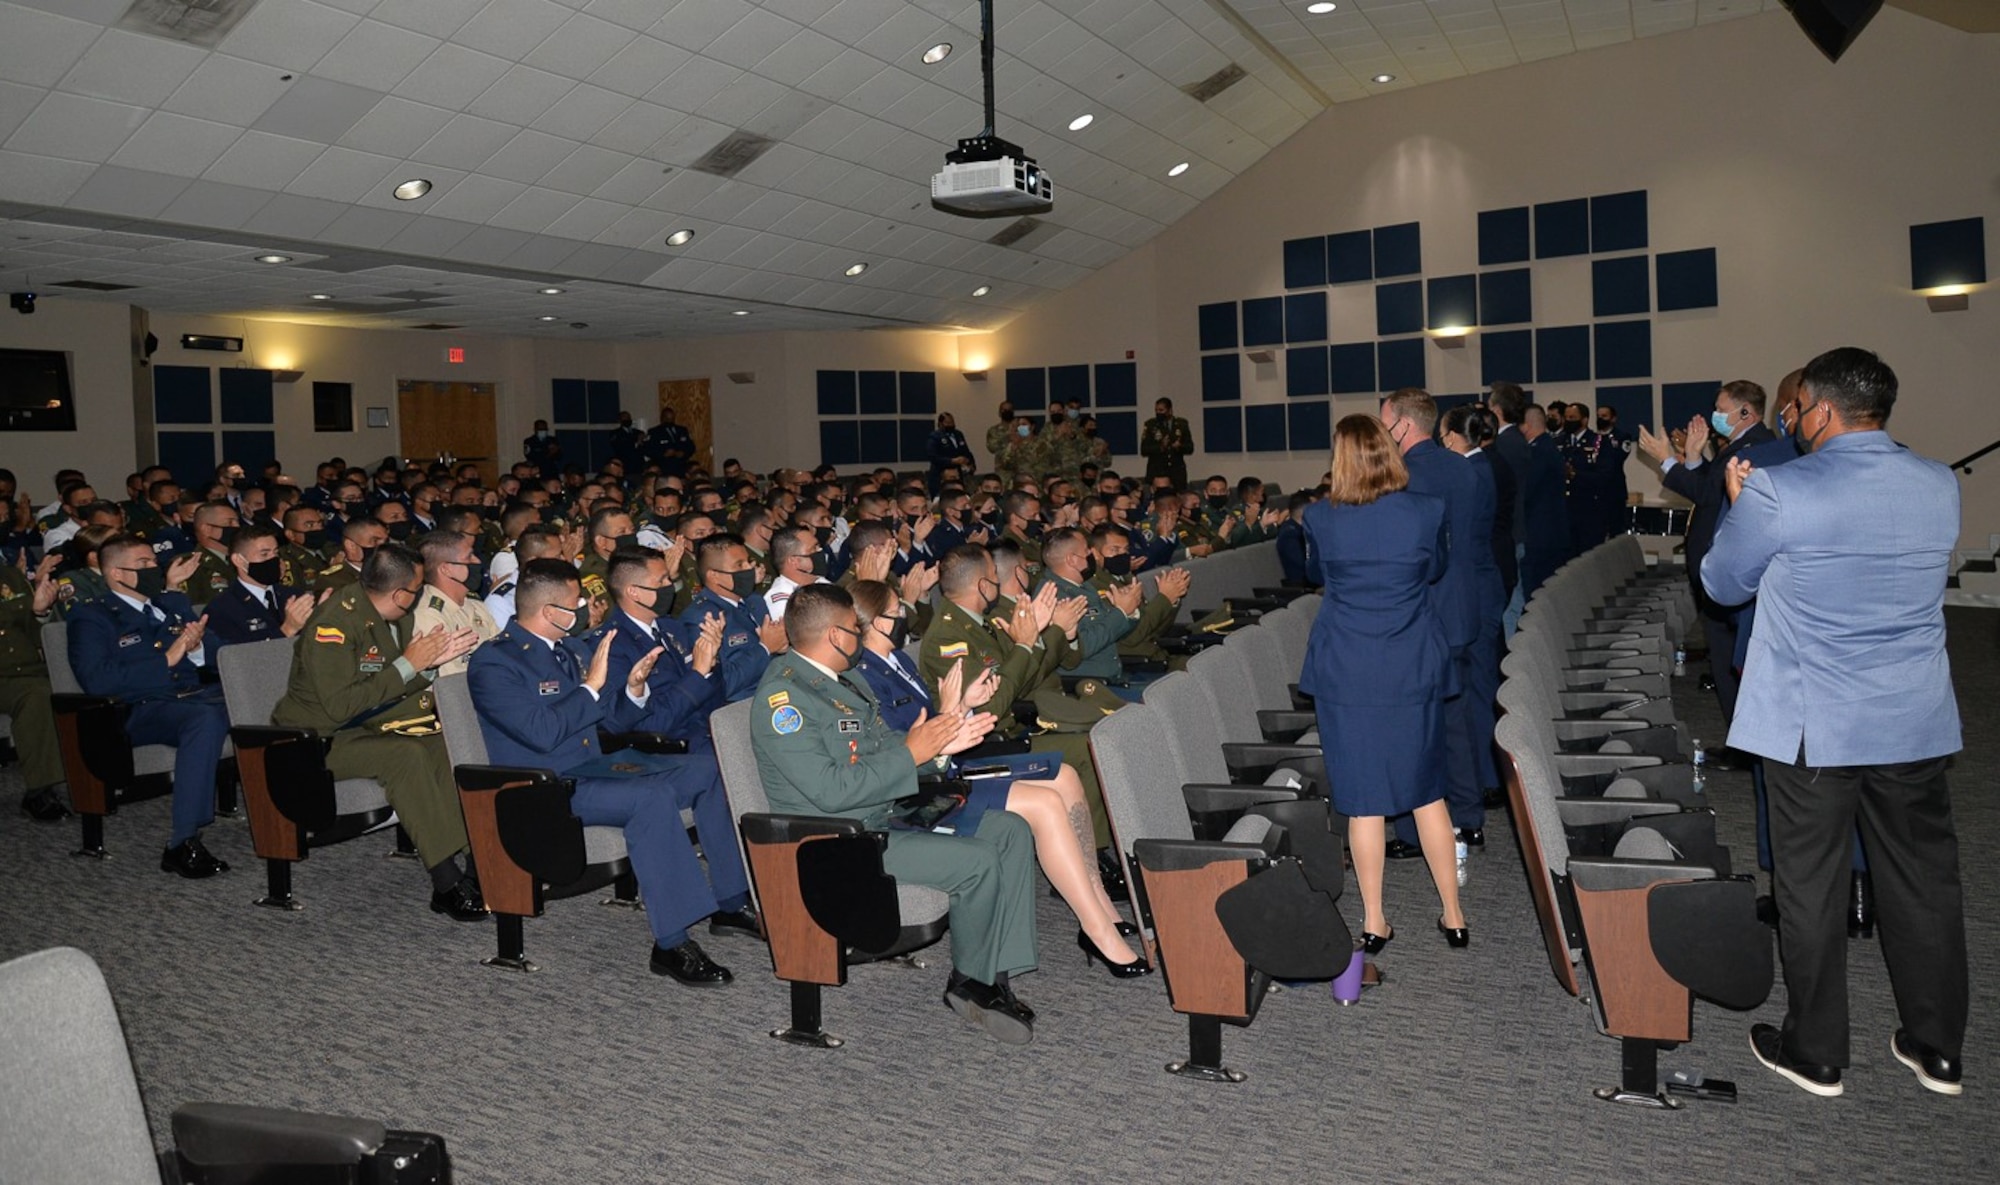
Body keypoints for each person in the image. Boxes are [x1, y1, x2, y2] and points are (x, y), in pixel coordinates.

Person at [1704, 347, 1965, 1099]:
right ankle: (1937, 1045)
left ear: (1819, 409)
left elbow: (1723, 583)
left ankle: (1816, 1050)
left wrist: (1735, 496)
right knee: (1924, 882)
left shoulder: (1781, 489)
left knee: (1810, 883)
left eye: (1800, 409)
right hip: (1913, 716)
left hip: (1812, 722)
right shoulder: (1938, 482)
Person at [752, 583, 1044, 1043]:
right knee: (977, 862)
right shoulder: (784, 703)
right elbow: (830, 791)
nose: (860, 635)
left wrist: (941, 746)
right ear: (834, 635)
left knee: (1008, 830)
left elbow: (884, 748)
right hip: (839, 842)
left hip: (882, 813)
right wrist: (912, 754)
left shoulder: (846, 681)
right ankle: (970, 983)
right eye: (854, 628)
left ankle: (994, 973)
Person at [470, 559, 757, 987]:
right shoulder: (495, 663)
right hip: (548, 785)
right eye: (577, 602)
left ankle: (731, 902)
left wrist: (634, 689)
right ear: (550, 611)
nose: (587, 607)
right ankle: (671, 943)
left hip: (596, 766)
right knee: (651, 799)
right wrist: (590, 687)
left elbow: (613, 722)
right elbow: (541, 732)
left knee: (707, 769)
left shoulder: (571, 649)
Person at [850, 579, 1146, 975]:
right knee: (1045, 802)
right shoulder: (863, 676)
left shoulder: (897, 660)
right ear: (872, 622)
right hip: (921, 784)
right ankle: (1095, 928)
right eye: (896, 611)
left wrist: (962, 706)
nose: (905, 615)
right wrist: (953, 717)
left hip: (946, 763)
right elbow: (899, 746)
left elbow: (935, 724)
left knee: (1065, 778)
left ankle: (1098, 901)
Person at [1299, 416, 1467, 951]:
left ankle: (1374, 922)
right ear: (1392, 455)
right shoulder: (1426, 511)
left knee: (1363, 799)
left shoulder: (1319, 519)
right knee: (1428, 794)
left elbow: (1313, 576)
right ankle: (1453, 916)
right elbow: (1436, 570)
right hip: (1410, 665)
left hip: (1346, 670)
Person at [273, 545, 486, 919]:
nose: (421, 593)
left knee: (439, 744)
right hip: (312, 739)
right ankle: (445, 880)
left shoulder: (396, 614)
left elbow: (390, 684)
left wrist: (429, 667)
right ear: (400, 593)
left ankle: (478, 862)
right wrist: (409, 665)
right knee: (405, 755)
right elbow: (340, 706)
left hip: (363, 724)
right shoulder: (335, 624)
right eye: (417, 587)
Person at [1378, 389, 1500, 855]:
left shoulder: (1405, 476)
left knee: (1417, 730)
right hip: (1463, 609)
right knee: (1459, 720)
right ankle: (1468, 819)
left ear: (1403, 426)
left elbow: (1413, 556)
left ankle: (1414, 833)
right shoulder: (1464, 467)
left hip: (1424, 615)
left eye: (1384, 421)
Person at [67, 536, 231, 877]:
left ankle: (292, 817)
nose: (153, 569)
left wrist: (197, 648)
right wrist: (168, 659)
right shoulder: (92, 616)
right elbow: (97, 681)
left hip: (191, 696)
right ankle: (181, 842)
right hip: (137, 709)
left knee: (263, 706)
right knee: (204, 718)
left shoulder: (169, 604)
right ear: (115, 573)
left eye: (153, 563)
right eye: (143, 565)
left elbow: (220, 655)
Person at [1639, 379, 1776, 747]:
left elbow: (1705, 494)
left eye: (1721, 408)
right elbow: (1710, 490)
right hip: (1720, 570)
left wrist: (1666, 458)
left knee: (1730, 662)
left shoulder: (1754, 447)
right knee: (1723, 658)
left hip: (1730, 574)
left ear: (1745, 412)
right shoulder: (1742, 444)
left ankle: (1745, 745)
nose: (1715, 416)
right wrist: (1694, 457)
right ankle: (1742, 740)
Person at [1, 549, 69, 821]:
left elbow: (34, 630)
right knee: (37, 695)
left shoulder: (9, 577)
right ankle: (41, 790)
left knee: (62, 687)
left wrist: (40, 611)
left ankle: (95, 780)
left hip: (27, 670)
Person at [678, 534, 788, 702]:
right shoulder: (701, 618)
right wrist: (765, 648)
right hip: (743, 706)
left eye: (748, 561)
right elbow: (722, 684)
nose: (749, 569)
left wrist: (782, 646)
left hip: (780, 688)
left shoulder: (754, 601)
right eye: (739, 565)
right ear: (714, 576)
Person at [203, 522, 316, 652]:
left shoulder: (294, 596)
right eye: (264, 554)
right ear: (239, 560)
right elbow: (236, 661)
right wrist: (287, 630)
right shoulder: (222, 609)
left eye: (275, 553)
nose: (273, 560)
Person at [408, 529, 500, 676]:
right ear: (446, 569)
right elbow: (451, 681)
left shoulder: (474, 603)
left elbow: (502, 652)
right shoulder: (430, 615)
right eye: (469, 557)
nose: (477, 561)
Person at [1140, 398, 1192, 489]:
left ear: (1170, 410)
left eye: (1161, 410)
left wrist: (1179, 447)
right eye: (1156, 410)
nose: (1158, 413)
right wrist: (1161, 447)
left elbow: (1190, 448)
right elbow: (1144, 450)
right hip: (1157, 471)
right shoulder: (1150, 425)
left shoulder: (1181, 424)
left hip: (1176, 471)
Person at [927, 413, 972, 493]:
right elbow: (933, 457)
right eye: (948, 423)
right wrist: (952, 461)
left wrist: (969, 462)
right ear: (940, 424)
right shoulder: (934, 436)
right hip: (940, 475)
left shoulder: (958, 434)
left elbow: (966, 451)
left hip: (958, 474)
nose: (951, 425)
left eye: (952, 422)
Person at [644, 407, 696, 476]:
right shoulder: (654, 432)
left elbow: (691, 447)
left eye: (672, 419)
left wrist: (684, 453)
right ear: (662, 418)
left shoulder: (682, 430)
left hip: (681, 467)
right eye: (667, 419)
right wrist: (663, 454)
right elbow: (648, 450)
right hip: (663, 468)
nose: (670, 421)